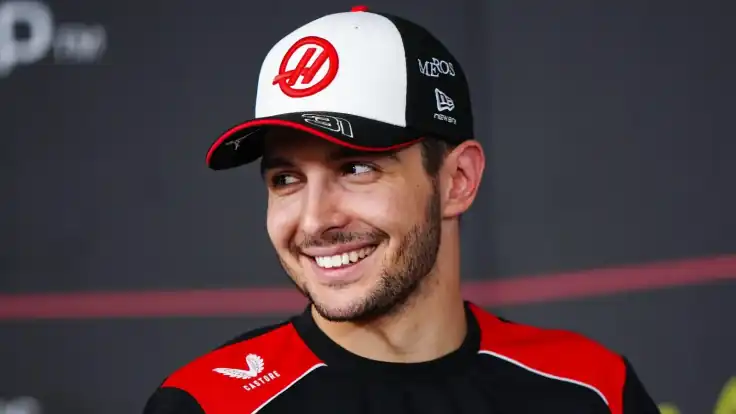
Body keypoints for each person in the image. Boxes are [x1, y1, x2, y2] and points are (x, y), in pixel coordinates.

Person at [144, 5, 660, 414]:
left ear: (457, 181)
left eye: (356, 168)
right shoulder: (209, 404)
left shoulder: (594, 388)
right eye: (286, 179)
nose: (315, 219)